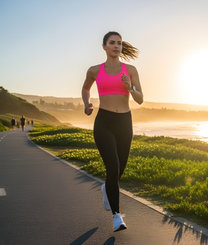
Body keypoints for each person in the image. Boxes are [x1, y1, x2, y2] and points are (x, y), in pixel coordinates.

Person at [81, 31, 143, 232]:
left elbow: (140, 98)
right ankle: (117, 216)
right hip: (104, 122)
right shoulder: (94, 70)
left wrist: (129, 86)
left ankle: (106, 188)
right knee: (113, 167)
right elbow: (85, 89)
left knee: (119, 170)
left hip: (124, 122)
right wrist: (86, 104)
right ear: (104, 46)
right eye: (112, 43)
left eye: (119, 43)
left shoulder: (131, 70)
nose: (116, 46)